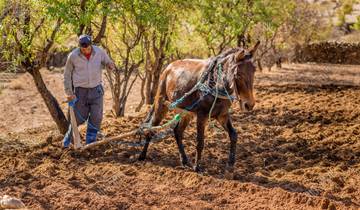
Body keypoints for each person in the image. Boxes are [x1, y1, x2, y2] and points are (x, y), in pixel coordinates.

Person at [63, 34, 115, 148]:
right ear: (79, 47)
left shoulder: (99, 52)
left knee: (96, 116)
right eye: (83, 48)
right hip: (80, 91)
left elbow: (108, 61)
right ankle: (69, 137)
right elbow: (67, 75)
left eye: (88, 48)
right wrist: (69, 92)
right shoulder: (73, 56)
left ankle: (90, 142)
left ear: (91, 45)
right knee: (78, 117)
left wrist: (110, 64)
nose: (86, 50)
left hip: (96, 90)